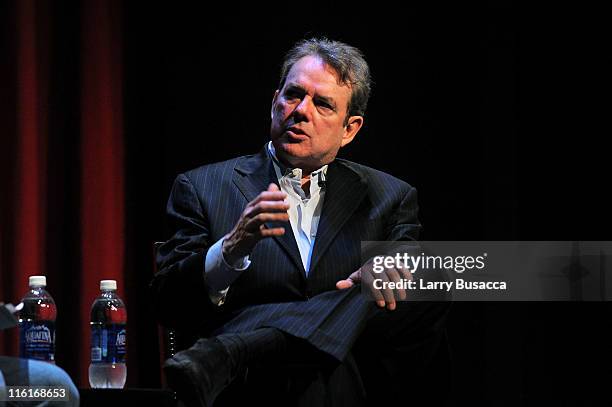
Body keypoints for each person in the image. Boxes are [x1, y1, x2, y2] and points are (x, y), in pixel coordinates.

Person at [151, 37, 449, 407]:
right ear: (274, 100)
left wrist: (388, 267)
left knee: (440, 276)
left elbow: (413, 293)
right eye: (293, 95)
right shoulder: (202, 187)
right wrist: (230, 250)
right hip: (245, 391)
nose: (301, 111)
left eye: (322, 104)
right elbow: (167, 304)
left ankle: (242, 347)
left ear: (350, 129)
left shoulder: (390, 196)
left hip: (345, 380)